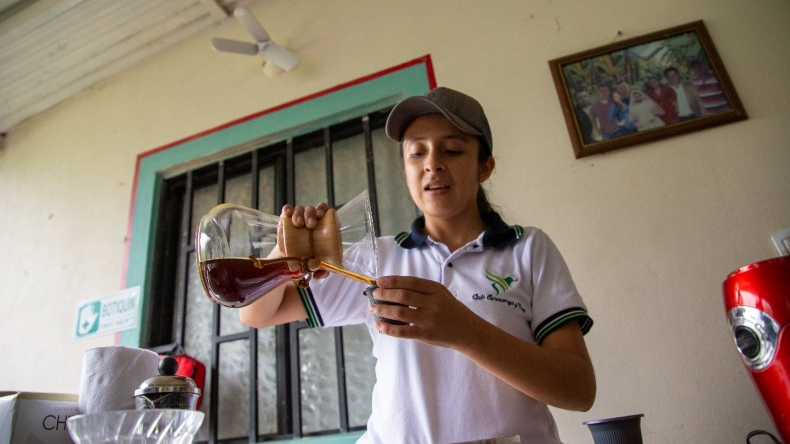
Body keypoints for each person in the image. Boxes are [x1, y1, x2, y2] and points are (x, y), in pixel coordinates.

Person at [239, 87, 596, 444]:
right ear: (405, 172)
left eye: (452, 150)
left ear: (485, 166)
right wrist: (283, 253)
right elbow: (256, 314)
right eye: (416, 152)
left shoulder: (527, 249)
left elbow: (578, 390)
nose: (432, 163)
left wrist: (464, 331)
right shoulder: (374, 259)